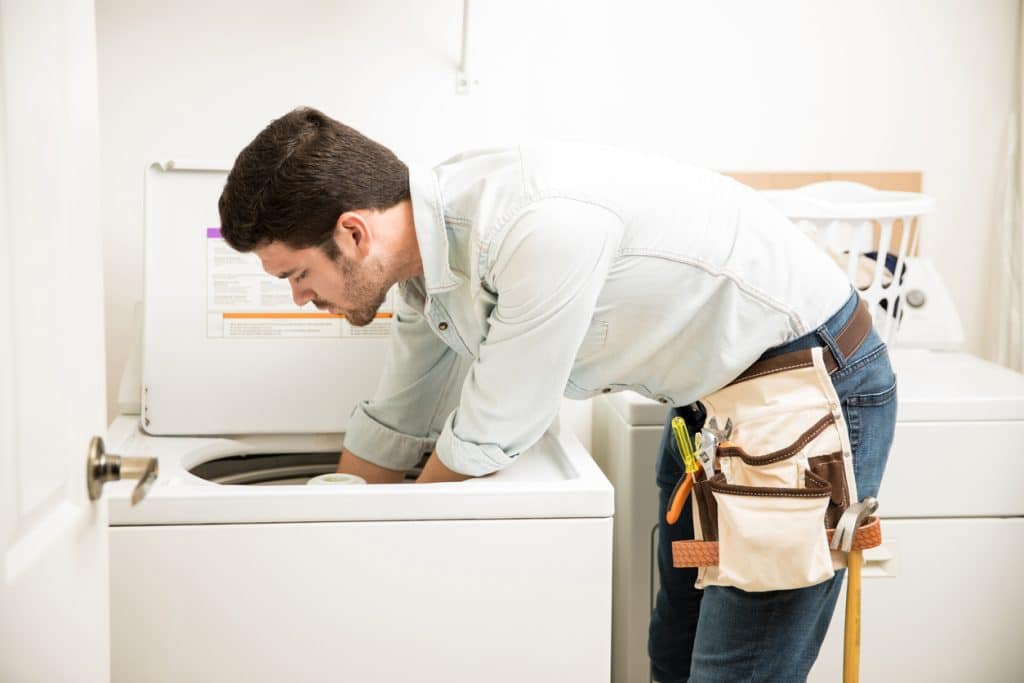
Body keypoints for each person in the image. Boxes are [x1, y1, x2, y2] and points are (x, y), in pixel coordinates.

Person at [218, 106, 897, 682]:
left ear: (353, 233)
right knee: (671, 655)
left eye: (298, 274)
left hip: (807, 390)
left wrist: (381, 573)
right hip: (708, 404)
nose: (299, 296)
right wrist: (322, 540)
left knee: (733, 670)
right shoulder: (431, 257)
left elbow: (486, 434)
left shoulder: (532, 226)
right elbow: (399, 414)